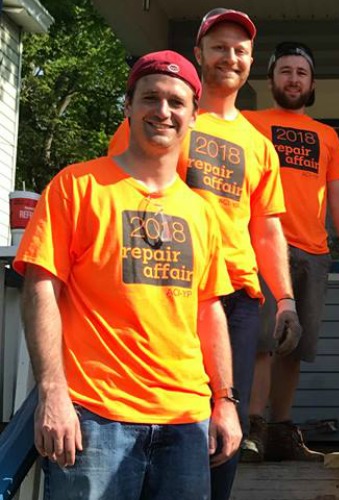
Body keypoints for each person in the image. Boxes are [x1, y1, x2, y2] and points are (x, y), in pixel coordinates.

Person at [15, 50, 240, 500]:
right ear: (129, 107)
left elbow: (209, 309)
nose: (163, 111)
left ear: (194, 116)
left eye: (177, 102)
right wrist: (53, 394)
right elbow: (40, 288)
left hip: (186, 422)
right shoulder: (77, 187)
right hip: (94, 419)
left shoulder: (203, 212)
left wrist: (225, 402)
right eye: (150, 98)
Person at [108, 9, 300, 499]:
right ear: (199, 54)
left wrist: (286, 299)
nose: (229, 57)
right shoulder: (165, 116)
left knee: (225, 421)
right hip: (164, 284)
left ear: (250, 61)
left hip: (235, 297)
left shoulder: (259, 145)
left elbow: (268, 228)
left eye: (239, 49)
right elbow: (117, 193)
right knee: (165, 414)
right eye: (218, 47)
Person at [241, 41, 339, 462]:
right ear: (271, 79)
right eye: (286, 71)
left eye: (301, 73)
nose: (293, 79)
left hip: (313, 251)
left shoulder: (326, 136)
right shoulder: (249, 123)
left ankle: (279, 430)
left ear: (311, 84)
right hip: (264, 245)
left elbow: (338, 196)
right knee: (263, 341)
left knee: (296, 346)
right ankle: (252, 428)